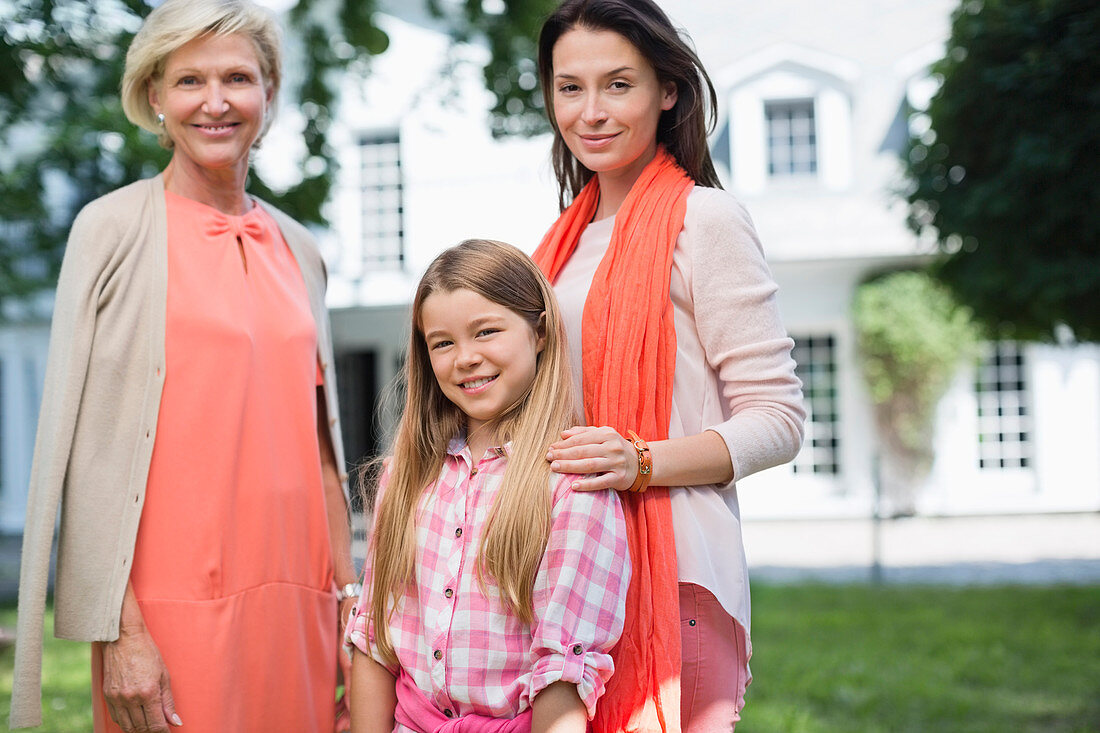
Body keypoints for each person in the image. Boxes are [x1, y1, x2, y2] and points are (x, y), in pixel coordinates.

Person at [9, 1, 358, 730]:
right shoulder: (110, 230)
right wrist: (123, 630)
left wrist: (352, 606)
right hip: (164, 608)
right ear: (155, 98)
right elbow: (80, 450)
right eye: (190, 81)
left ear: (268, 92)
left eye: (238, 77)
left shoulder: (300, 246)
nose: (216, 101)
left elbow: (323, 448)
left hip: (301, 601)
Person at [532, 1, 807, 730]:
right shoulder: (554, 248)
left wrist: (640, 460)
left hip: (675, 577)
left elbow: (778, 421)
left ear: (668, 90)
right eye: (570, 87)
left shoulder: (705, 220)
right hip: (568, 577)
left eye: (618, 84)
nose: (590, 111)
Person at [345, 239, 631, 732]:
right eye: (443, 342)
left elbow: (562, 671)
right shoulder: (404, 479)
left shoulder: (572, 483)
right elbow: (375, 642)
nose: (465, 358)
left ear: (539, 333)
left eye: (487, 332)